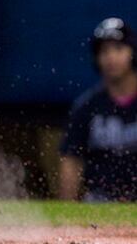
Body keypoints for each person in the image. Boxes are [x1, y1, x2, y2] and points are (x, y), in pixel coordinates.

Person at [58, 17, 137, 202]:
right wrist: (66, 205)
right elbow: (71, 158)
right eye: (104, 51)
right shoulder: (86, 106)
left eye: (118, 49)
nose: (111, 57)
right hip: (100, 202)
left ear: (133, 52)